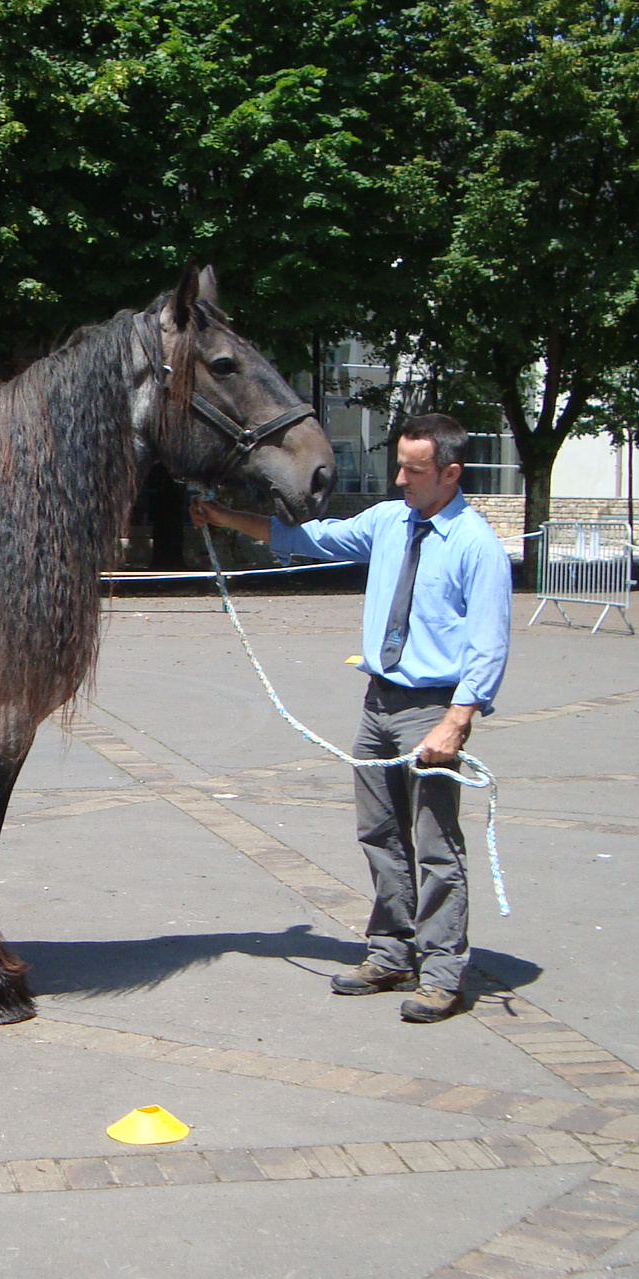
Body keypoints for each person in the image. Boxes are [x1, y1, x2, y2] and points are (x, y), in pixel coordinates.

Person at [190, 413, 513, 1022]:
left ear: (450, 472)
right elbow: (312, 539)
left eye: (414, 471)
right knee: (380, 835)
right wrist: (225, 517)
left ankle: (443, 973)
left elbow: (489, 645)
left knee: (436, 844)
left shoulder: (477, 545)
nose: (400, 479)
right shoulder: (390, 522)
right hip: (379, 702)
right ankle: (390, 952)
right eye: (399, 465)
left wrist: (457, 722)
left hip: (431, 709)